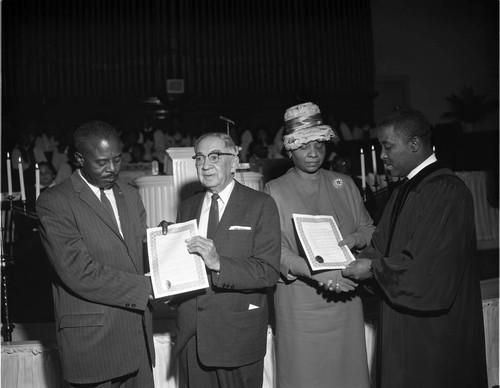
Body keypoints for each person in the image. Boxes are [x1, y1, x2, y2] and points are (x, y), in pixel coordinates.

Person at [343, 108, 488, 388]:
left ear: (414, 144)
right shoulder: (402, 191)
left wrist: (373, 268)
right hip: (400, 320)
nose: (383, 156)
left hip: (434, 333)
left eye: (387, 147)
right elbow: (380, 245)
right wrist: (353, 260)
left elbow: (432, 271)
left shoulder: (447, 191)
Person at [264, 102, 375, 388]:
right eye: (303, 147)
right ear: (289, 149)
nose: (313, 153)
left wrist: (354, 239)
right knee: (304, 375)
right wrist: (317, 273)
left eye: (319, 145)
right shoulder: (274, 190)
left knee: (346, 373)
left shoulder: (344, 183)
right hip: (300, 300)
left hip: (346, 297)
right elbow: (274, 250)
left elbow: (369, 229)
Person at [36, 120, 155, 387]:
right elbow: (79, 272)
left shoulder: (131, 195)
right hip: (93, 347)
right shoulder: (55, 202)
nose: (112, 169)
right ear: (79, 159)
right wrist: (146, 287)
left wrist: (165, 241)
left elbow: (135, 251)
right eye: (102, 162)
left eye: (117, 159)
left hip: (137, 342)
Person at [173, 132, 281, 388]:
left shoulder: (261, 204)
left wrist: (219, 262)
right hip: (193, 337)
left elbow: (268, 271)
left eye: (214, 157)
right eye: (199, 158)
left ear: (233, 163)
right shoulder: (187, 207)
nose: (205, 165)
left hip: (238, 337)